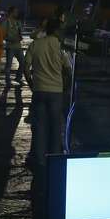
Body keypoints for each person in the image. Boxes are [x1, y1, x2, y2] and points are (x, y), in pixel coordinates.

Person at [24, 18, 71, 168]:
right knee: (56, 126)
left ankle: (39, 160)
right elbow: (69, 70)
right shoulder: (60, 47)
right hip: (56, 92)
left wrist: (32, 84)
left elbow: (26, 68)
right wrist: (65, 87)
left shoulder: (36, 44)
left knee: (39, 127)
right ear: (57, 31)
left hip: (39, 91)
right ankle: (55, 158)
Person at [2, 6, 24, 87]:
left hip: (18, 46)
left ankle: (18, 78)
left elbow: (20, 33)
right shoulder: (6, 22)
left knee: (23, 62)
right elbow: (3, 35)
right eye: (15, 11)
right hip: (10, 46)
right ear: (11, 12)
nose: (17, 13)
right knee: (9, 64)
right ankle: (7, 80)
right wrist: (11, 39)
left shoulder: (18, 22)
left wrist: (20, 37)